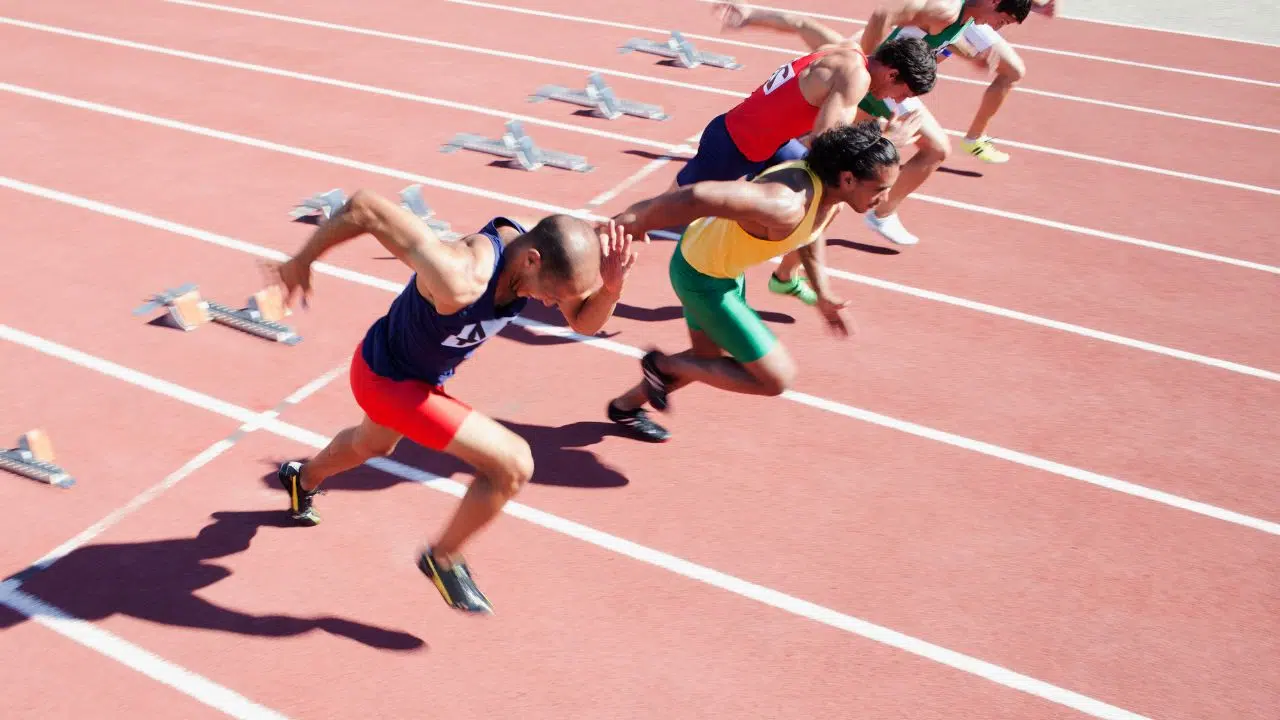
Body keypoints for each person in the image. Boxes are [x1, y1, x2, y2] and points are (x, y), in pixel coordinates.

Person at [266, 190, 639, 614]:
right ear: (531, 261)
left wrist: (610, 289)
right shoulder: (459, 275)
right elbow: (366, 206)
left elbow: (584, 322)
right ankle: (441, 558)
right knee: (512, 465)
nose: (553, 305)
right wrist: (302, 260)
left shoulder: (544, 255)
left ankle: (303, 477)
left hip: (416, 378)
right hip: (386, 380)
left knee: (373, 446)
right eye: (553, 295)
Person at [604, 122, 901, 442]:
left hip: (716, 266)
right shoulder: (784, 203)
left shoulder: (830, 194)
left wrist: (822, 294)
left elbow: (811, 232)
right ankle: (661, 365)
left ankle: (624, 407)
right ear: (848, 179)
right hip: (703, 278)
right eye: (879, 190)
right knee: (776, 379)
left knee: (704, 361)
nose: (884, 199)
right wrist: (628, 223)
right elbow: (697, 197)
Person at [716, 0, 1036, 251]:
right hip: (884, 81)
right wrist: (864, 68)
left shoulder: (967, 19)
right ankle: (793, 245)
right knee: (832, 160)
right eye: (1002, 21)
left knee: (928, 149)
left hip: (895, 82)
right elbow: (884, 12)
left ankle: (873, 213)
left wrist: (969, 54)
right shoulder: (946, 8)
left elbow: (804, 25)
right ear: (994, 2)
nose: (998, 28)